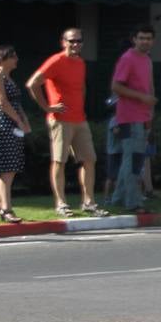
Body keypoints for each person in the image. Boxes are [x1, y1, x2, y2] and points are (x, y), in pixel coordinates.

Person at [25, 27, 107, 217]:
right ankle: (61, 203)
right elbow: (33, 83)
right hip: (60, 120)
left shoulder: (80, 63)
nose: (75, 44)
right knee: (59, 161)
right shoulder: (56, 61)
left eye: (78, 41)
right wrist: (47, 107)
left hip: (80, 119)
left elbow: (81, 88)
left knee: (89, 160)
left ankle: (89, 202)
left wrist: (81, 107)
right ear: (63, 42)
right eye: (71, 41)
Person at [108, 24, 156, 214]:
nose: (145, 41)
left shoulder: (147, 60)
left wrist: (150, 113)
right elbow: (116, 87)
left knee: (133, 158)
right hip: (129, 116)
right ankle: (133, 202)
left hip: (143, 117)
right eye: (141, 38)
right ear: (134, 39)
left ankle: (118, 199)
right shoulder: (128, 58)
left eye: (148, 38)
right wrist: (142, 98)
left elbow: (150, 87)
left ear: (153, 41)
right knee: (134, 160)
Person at [0, 46, 30, 223]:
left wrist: (23, 120)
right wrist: (18, 120)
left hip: (11, 124)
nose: (16, 59)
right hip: (3, 125)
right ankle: (6, 208)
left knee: (9, 168)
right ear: (2, 59)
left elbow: (15, 102)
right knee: (7, 170)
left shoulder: (7, 77)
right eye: (13, 56)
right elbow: (2, 102)